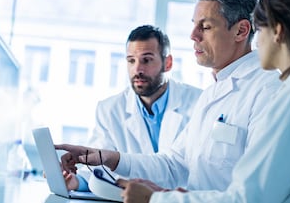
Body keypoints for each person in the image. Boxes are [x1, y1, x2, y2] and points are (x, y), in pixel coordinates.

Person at [56, 0, 282, 192]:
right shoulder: (213, 93)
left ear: (241, 31)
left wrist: (162, 199)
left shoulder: (268, 91)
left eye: (205, 27)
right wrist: (106, 157)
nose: (193, 36)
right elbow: (175, 164)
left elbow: (257, 193)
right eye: (194, 26)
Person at [117, 0, 290, 203]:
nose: (258, 41)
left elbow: (248, 198)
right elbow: (180, 163)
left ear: (278, 31)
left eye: (260, 29)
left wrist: (155, 200)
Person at [64, 25, 202, 191]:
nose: (137, 69)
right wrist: (75, 181)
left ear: (168, 63)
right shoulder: (109, 110)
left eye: (147, 60)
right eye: (131, 60)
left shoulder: (199, 103)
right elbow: (99, 171)